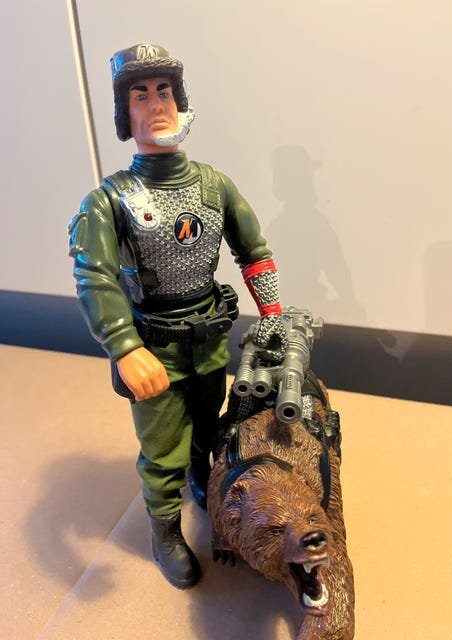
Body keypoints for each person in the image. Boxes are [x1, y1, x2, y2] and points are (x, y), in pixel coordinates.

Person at [68, 43, 286, 589]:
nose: (156, 105)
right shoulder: (110, 200)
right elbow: (94, 276)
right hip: (153, 346)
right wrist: (124, 345)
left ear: (180, 101)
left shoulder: (215, 185)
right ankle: (164, 529)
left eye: (164, 91)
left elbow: (254, 251)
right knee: (161, 447)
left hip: (209, 338)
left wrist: (273, 313)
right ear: (125, 113)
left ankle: (203, 480)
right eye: (140, 95)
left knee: (208, 426)